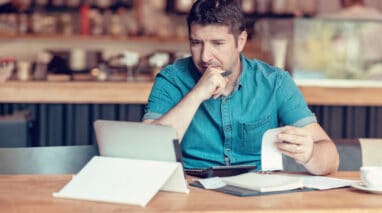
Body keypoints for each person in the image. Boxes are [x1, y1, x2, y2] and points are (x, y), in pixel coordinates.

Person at [143, 0, 339, 175]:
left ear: (241, 41)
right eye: (196, 43)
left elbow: (331, 159)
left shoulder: (275, 82)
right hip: (193, 189)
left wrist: (310, 154)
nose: (204, 56)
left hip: (257, 194)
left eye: (218, 43)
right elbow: (147, 151)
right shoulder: (172, 79)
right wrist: (196, 94)